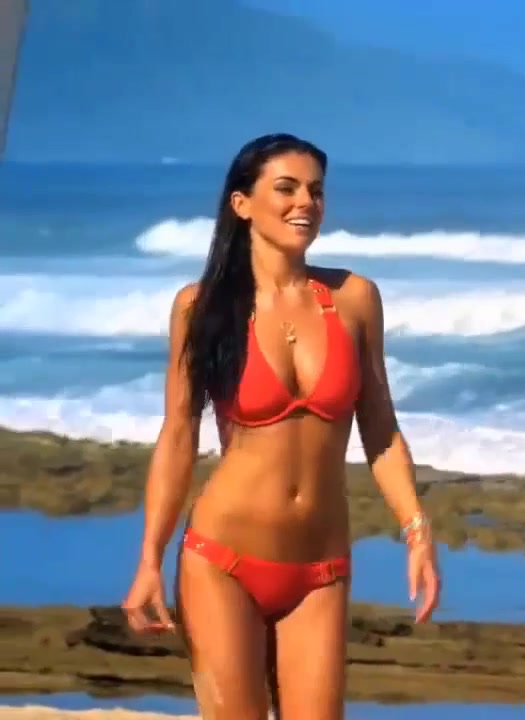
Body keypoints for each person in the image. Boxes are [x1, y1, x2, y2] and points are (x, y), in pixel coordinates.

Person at [121, 133, 441, 720]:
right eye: (287, 189)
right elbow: (179, 436)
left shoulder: (353, 298)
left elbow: (381, 430)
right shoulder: (201, 307)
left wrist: (417, 529)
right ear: (242, 203)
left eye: (316, 191)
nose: (305, 204)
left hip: (321, 572)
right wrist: (149, 560)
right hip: (222, 561)